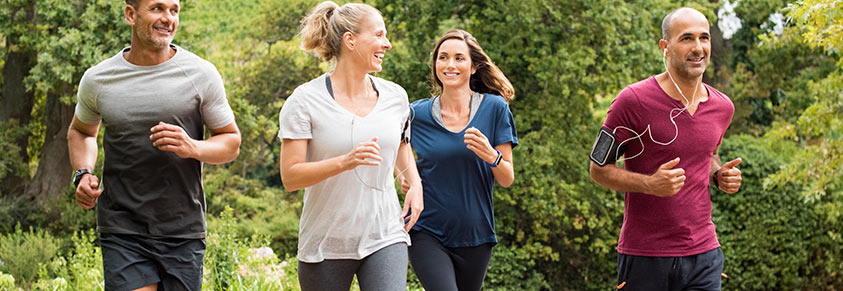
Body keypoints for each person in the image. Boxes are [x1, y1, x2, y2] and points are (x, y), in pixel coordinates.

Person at [67, 0, 241, 290]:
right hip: (123, 227)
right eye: (158, 8)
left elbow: (231, 141)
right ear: (131, 14)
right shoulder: (98, 79)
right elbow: (82, 132)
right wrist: (82, 172)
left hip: (182, 228)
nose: (168, 18)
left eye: (174, 10)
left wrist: (193, 147)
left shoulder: (201, 74)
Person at [589, 7, 744, 291]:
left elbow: (707, 154)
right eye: (686, 39)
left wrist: (719, 174)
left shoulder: (723, 107)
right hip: (645, 255)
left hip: (704, 253)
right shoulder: (632, 101)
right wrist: (650, 184)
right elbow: (598, 169)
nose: (698, 48)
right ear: (665, 47)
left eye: (704, 38)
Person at [276, 2, 423, 290]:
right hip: (325, 241)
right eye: (379, 35)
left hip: (384, 234)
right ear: (350, 40)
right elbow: (291, 177)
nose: (387, 44)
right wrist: (346, 161)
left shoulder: (396, 97)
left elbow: (401, 146)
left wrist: (415, 184)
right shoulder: (304, 101)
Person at [403, 29, 518, 291]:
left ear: (474, 66)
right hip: (425, 230)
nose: (450, 65)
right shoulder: (415, 113)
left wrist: (492, 155)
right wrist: (407, 177)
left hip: (476, 234)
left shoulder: (495, 108)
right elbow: (396, 147)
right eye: (442, 58)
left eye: (459, 58)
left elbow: (507, 178)